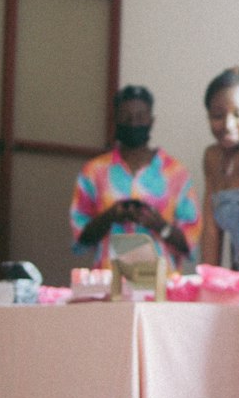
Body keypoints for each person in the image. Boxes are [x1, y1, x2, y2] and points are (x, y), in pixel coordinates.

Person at [69, 85, 201, 271]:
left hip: (160, 284)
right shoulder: (94, 171)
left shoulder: (176, 173)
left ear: (151, 121)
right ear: (115, 121)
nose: (133, 123)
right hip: (108, 280)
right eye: (126, 117)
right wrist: (110, 216)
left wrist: (159, 225)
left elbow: (190, 242)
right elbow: (81, 238)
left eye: (140, 117)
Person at [200, 68, 239, 269]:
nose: (228, 125)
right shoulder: (212, 156)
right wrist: (209, 280)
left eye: (238, 114)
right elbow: (211, 230)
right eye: (218, 116)